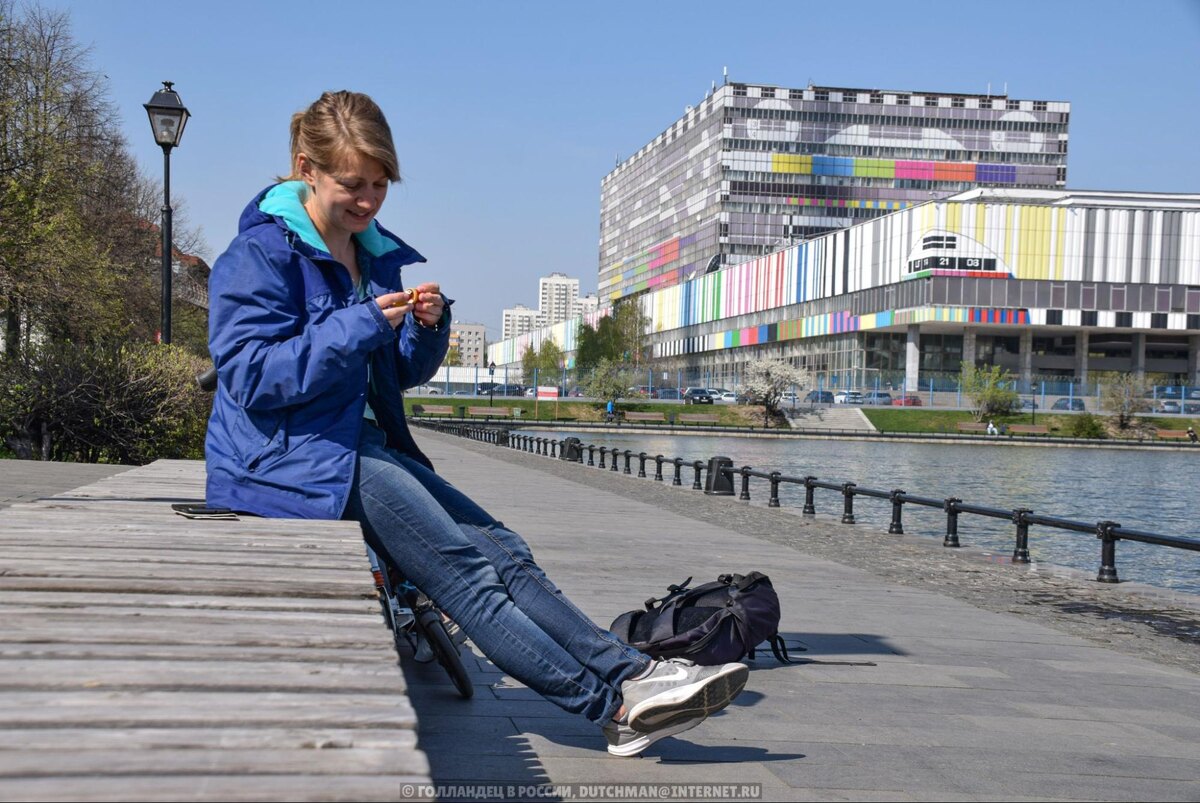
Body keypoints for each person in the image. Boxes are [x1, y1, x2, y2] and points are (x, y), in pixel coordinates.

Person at [203, 90, 748, 758]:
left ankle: (633, 671)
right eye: (353, 184)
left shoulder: (367, 254)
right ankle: (613, 709)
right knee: (465, 574)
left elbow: (391, 375)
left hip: (355, 442)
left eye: (380, 184)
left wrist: (428, 331)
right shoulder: (259, 256)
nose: (369, 200)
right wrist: (364, 321)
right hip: (293, 456)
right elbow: (253, 376)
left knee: (505, 548)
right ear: (305, 169)